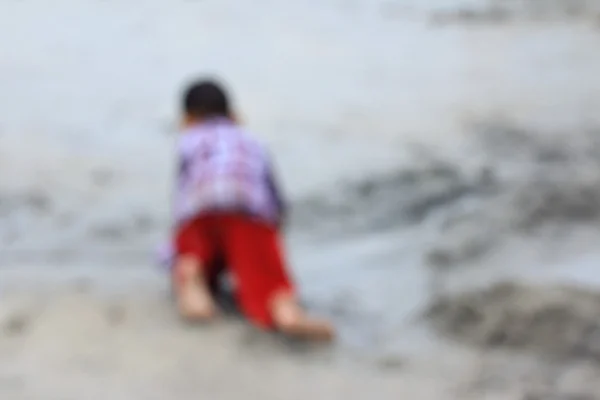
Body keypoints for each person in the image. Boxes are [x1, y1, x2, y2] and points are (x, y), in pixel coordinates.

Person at [167, 78, 334, 341]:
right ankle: (286, 313)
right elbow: (275, 199)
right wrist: (273, 239)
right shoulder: (253, 141)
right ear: (235, 116)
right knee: (268, 282)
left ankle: (192, 283)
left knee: (191, 253)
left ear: (186, 119)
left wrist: (176, 243)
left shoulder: (189, 140)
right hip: (249, 215)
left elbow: (182, 197)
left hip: (200, 215)